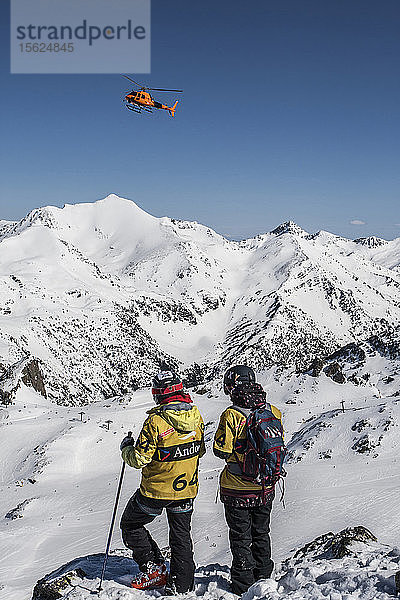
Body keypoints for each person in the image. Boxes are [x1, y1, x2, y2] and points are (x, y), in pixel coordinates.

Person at [120, 367, 205, 594]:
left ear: (158, 394)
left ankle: (153, 569)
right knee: (181, 536)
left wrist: (126, 448)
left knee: (131, 524)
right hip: (186, 487)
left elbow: (140, 458)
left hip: (156, 491)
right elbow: (200, 450)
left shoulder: (155, 422)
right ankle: (183, 584)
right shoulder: (196, 418)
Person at [213, 365, 284, 595]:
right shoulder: (272, 411)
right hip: (265, 485)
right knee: (261, 532)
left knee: (241, 536)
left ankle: (243, 584)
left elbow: (221, 450)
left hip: (237, 488)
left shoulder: (232, 415)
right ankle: (264, 576)